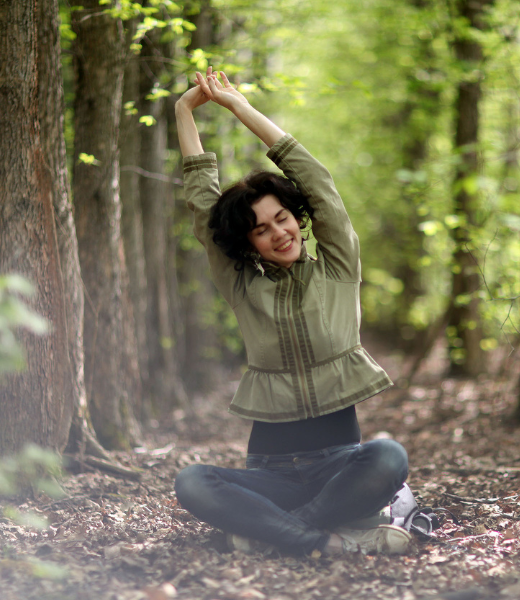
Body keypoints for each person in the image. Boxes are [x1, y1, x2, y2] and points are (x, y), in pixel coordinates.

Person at [173, 67, 411, 556]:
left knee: (389, 456)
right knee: (193, 481)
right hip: (271, 473)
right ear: (249, 243)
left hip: (341, 466)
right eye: (261, 229)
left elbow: (317, 181)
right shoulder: (242, 286)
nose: (278, 232)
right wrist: (182, 111)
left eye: (282, 218)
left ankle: (273, 534)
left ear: (297, 220)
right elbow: (203, 206)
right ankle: (329, 541)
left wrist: (239, 107)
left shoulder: (338, 269)